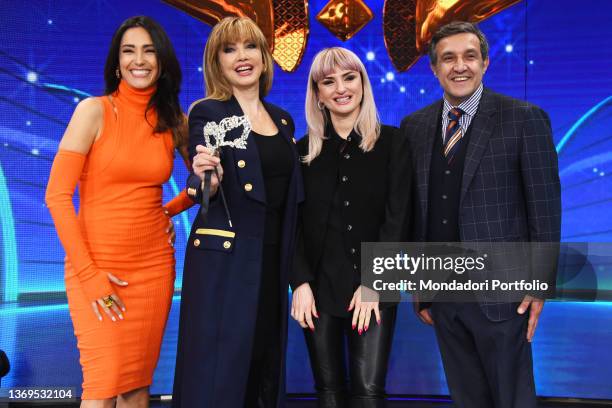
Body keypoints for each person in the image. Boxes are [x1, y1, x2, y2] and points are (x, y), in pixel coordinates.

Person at [401, 21, 561, 408]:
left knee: (512, 398)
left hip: (503, 296)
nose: (460, 66)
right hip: (443, 293)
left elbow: (545, 207)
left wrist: (538, 285)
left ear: (485, 63)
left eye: (469, 56)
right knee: (466, 398)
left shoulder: (523, 118)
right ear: (434, 68)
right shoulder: (414, 127)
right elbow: (413, 212)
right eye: (448, 58)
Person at [45, 16, 193, 407]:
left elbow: (204, 183)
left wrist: (167, 211)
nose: (139, 60)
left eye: (149, 51)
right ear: (116, 62)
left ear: (161, 62)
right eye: (129, 51)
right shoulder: (93, 111)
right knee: (101, 387)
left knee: (137, 387)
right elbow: (57, 196)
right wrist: (89, 274)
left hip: (154, 269)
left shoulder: (175, 121)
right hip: (97, 268)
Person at [171, 17, 303, 408]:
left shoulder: (283, 119)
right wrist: (205, 180)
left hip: (273, 259)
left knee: (264, 361)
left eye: (250, 47)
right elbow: (202, 181)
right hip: (225, 263)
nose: (241, 57)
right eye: (229, 49)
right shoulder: (207, 112)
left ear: (264, 57)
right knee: (219, 370)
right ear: (217, 62)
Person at [290, 47, 411, 407]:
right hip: (317, 290)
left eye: (349, 77)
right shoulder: (300, 152)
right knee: (327, 390)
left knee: (367, 391)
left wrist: (375, 282)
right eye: (329, 81)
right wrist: (300, 282)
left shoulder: (393, 142)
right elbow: (291, 224)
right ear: (318, 94)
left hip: (373, 286)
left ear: (362, 82)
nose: (341, 88)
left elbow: (399, 218)